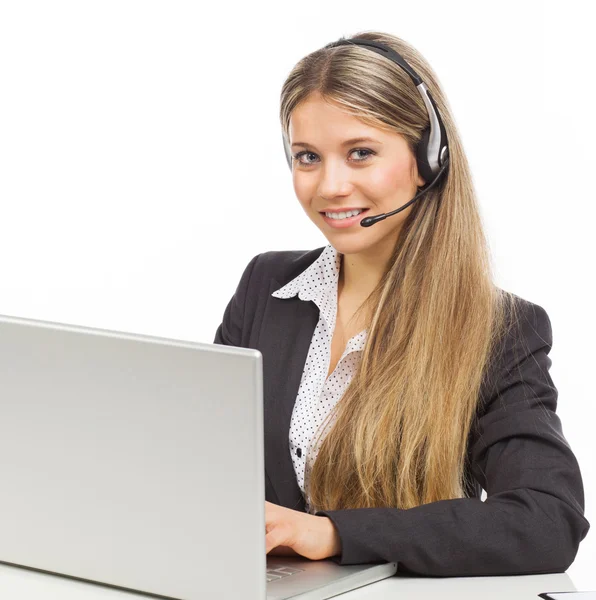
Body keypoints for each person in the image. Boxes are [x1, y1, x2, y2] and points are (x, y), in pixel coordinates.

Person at [213, 31, 590, 576]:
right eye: (308, 157)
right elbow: (206, 459)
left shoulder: (499, 330)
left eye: (360, 153)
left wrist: (335, 534)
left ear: (427, 160)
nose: (330, 185)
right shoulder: (266, 287)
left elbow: (546, 520)